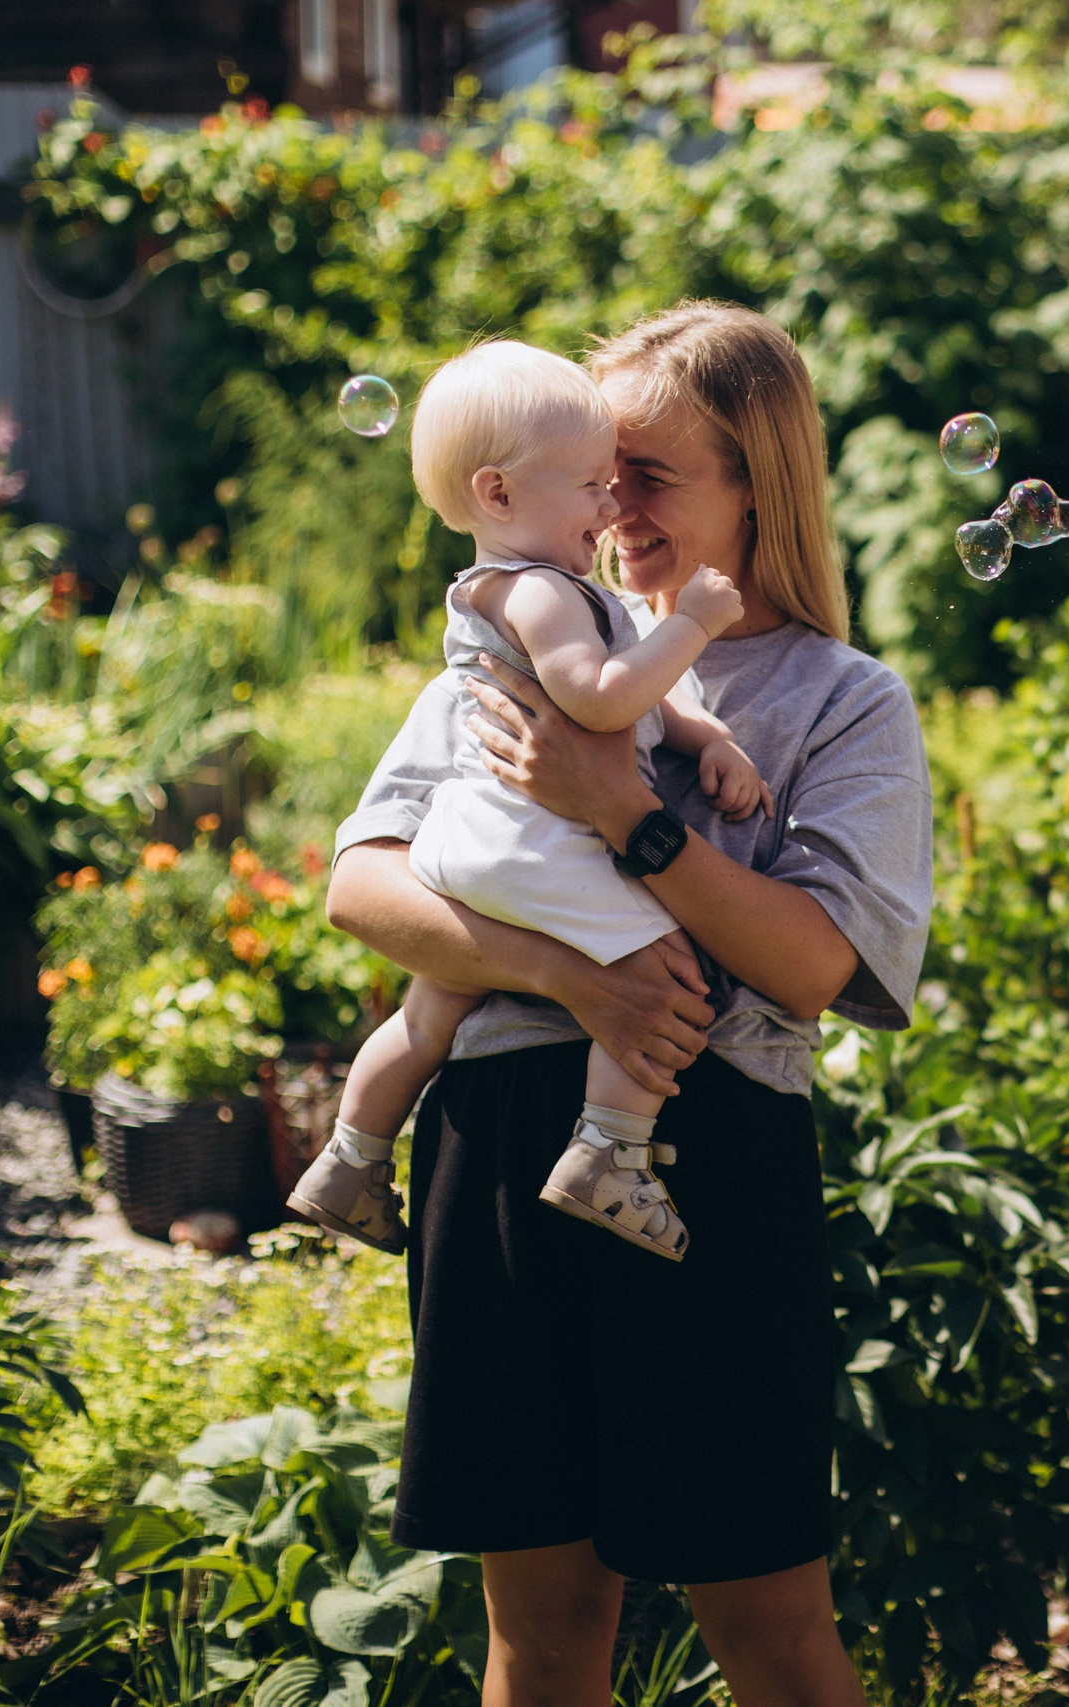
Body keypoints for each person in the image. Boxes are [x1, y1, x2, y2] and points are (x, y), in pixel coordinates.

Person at [324, 302, 933, 1707]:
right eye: (598, 465)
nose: (613, 503)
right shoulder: (521, 638)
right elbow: (365, 887)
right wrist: (562, 973)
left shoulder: (842, 700)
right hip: (503, 1134)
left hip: (705, 1156)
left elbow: (814, 965)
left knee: (770, 1620)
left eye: (646, 470)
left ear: (754, 482)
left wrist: (629, 815)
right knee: (539, 1627)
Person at [290, 339, 772, 1263]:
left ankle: (349, 1158)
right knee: (668, 965)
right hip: (535, 841)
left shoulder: (503, 593)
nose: (610, 506)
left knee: (431, 1012)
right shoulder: (545, 594)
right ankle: (609, 1154)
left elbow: (647, 703)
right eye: (592, 484)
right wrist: (695, 624)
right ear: (499, 494)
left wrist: (706, 736)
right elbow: (601, 698)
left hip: (473, 851)